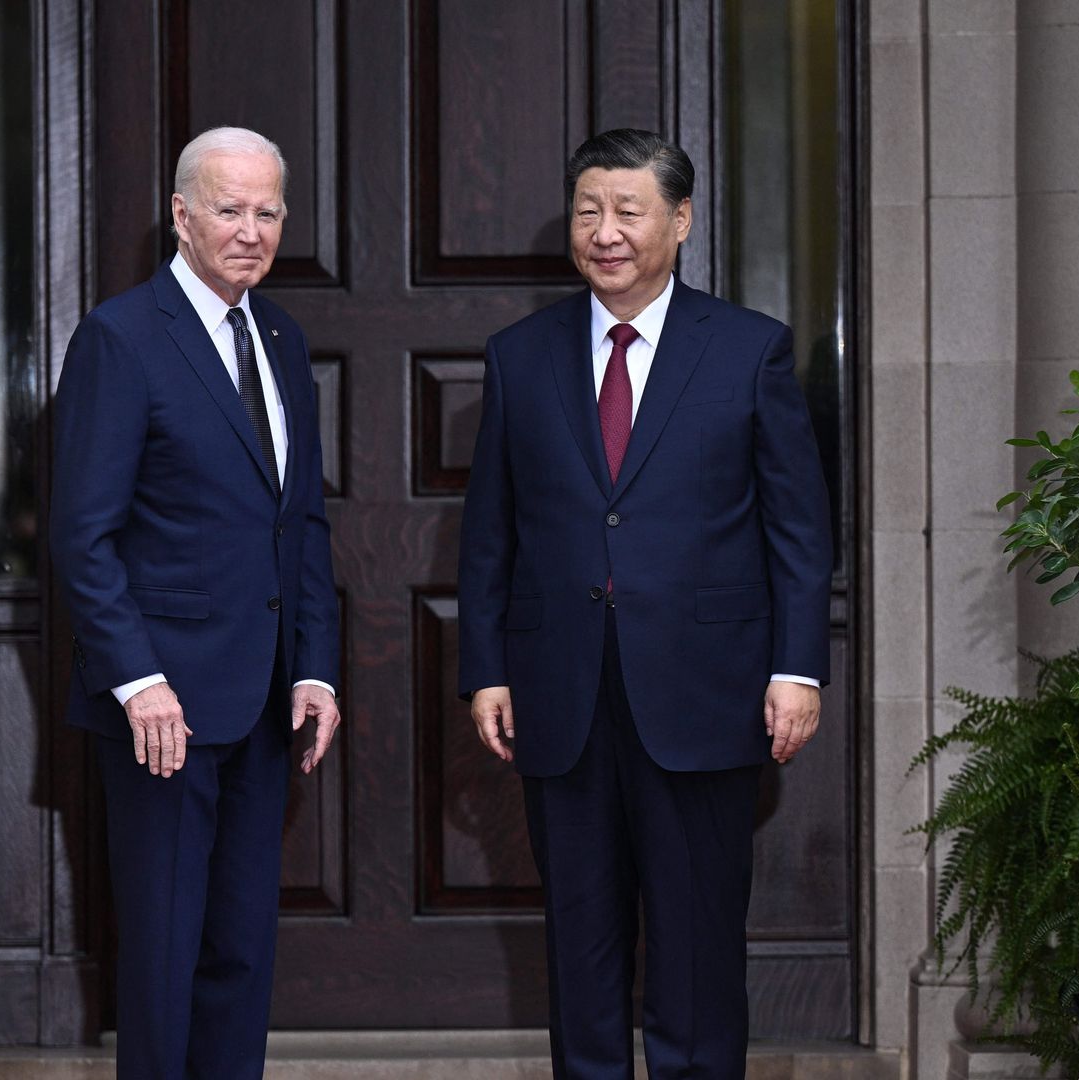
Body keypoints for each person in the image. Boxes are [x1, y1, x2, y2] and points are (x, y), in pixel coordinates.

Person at [457, 127, 832, 1078]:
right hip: (561, 693)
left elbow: (797, 528)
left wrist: (797, 668)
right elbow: (490, 534)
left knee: (697, 943)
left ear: (682, 221)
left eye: (629, 211)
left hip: (706, 693)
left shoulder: (748, 351)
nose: (606, 232)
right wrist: (487, 669)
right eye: (589, 210)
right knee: (578, 946)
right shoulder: (519, 356)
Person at [49, 125, 342, 1079]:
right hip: (161, 713)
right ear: (181, 215)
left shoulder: (284, 340)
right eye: (229, 209)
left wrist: (316, 669)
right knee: (165, 958)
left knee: (240, 954)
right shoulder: (120, 337)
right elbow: (82, 534)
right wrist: (138, 682)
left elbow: (299, 523)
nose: (251, 231)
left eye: (268, 212)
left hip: (263, 704)